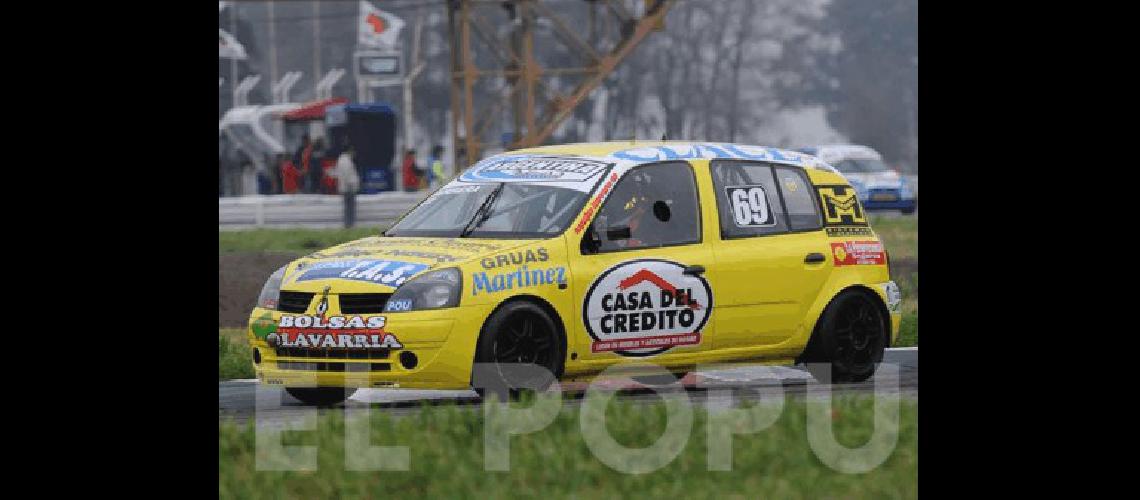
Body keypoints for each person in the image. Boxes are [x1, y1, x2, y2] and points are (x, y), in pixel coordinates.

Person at [332, 144, 361, 227]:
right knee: (350, 209)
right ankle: (349, 225)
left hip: (346, 187)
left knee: (348, 209)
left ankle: (348, 224)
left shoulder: (342, 160)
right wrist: (351, 184)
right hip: (348, 188)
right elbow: (347, 175)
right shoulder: (346, 161)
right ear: (350, 151)